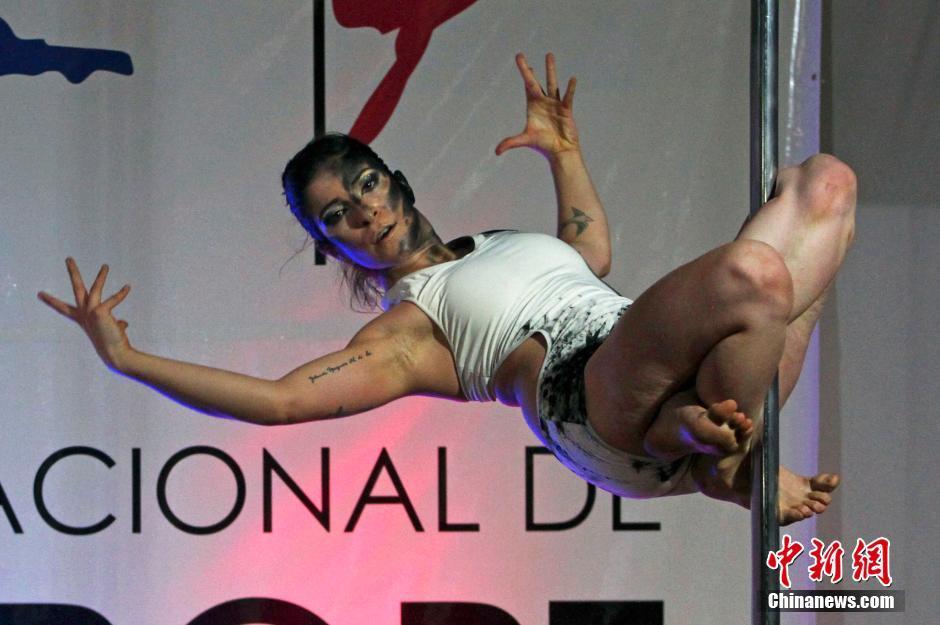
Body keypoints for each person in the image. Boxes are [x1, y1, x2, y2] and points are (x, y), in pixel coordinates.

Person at [39, 53, 853, 525]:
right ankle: (723, 459)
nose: (364, 212)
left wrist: (562, 152)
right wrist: (128, 360)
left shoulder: (495, 243)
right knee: (755, 275)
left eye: (365, 185)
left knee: (823, 186)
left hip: (665, 362)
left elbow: (587, 253)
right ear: (332, 246)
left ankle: (706, 437)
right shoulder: (405, 331)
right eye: (337, 217)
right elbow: (280, 401)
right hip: (595, 399)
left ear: (395, 179)